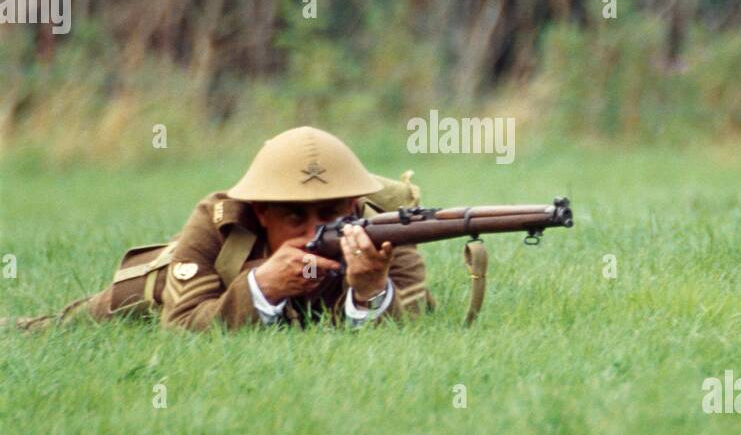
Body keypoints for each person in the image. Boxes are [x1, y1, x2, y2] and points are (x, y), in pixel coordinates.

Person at [9, 127, 432, 332]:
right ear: (261, 212)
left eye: (330, 214)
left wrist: (371, 290)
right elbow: (181, 327)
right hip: (149, 296)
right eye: (295, 218)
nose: (314, 230)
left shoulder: (383, 228)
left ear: (355, 205)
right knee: (59, 328)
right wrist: (259, 290)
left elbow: (414, 323)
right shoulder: (221, 221)